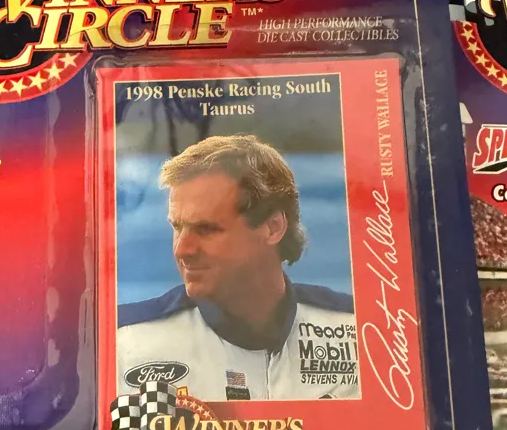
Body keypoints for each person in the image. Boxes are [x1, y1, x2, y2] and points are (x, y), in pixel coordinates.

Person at [117, 134, 359, 401]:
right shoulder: (127, 340)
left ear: (273, 227)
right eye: (177, 227)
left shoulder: (359, 330)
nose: (182, 250)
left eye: (206, 229)